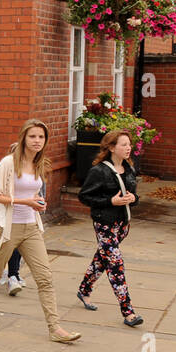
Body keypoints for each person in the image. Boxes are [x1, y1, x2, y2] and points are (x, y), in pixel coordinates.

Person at [0, 119, 81, 343]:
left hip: (31, 228)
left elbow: (34, 194)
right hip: (7, 228)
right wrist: (25, 202)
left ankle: (55, 328)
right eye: (33, 137)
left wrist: (38, 203)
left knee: (45, 278)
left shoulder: (40, 164)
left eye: (41, 137)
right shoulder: (8, 163)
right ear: (23, 138)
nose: (37, 141)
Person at [76, 129, 143, 327]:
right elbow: (84, 196)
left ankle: (84, 290)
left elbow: (133, 195)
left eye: (129, 144)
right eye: (123, 144)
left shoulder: (129, 168)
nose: (128, 147)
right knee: (115, 265)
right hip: (104, 223)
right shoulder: (99, 171)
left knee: (102, 259)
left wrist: (134, 199)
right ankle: (128, 312)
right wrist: (110, 201)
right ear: (112, 147)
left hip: (122, 224)